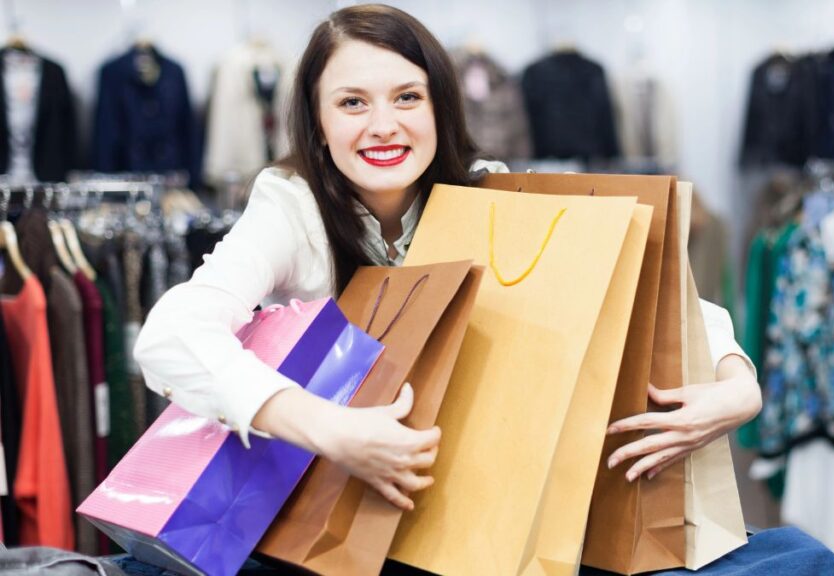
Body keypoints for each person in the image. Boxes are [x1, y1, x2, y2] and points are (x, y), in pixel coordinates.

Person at [134, 3, 761, 514]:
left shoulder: (486, 191)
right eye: (353, 103)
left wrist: (737, 383)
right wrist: (327, 427)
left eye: (408, 97)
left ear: (440, 107)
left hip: (466, 500)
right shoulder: (291, 206)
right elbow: (170, 335)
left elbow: (633, 286)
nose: (383, 125)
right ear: (318, 123)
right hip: (321, 505)